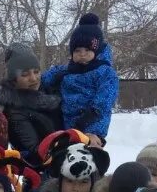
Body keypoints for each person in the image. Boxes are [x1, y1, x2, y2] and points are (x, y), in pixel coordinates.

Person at [41, 14, 119, 147]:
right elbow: (42, 80)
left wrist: (87, 123)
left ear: (97, 50)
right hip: (66, 127)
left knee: (86, 157)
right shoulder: (65, 71)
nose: (82, 54)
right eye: (77, 50)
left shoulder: (105, 72)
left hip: (92, 125)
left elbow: (104, 101)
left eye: (87, 50)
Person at [0, 43, 63, 168]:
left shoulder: (48, 95)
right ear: (13, 79)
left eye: (36, 72)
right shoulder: (15, 112)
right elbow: (35, 155)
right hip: (44, 177)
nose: (34, 78)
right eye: (25, 74)